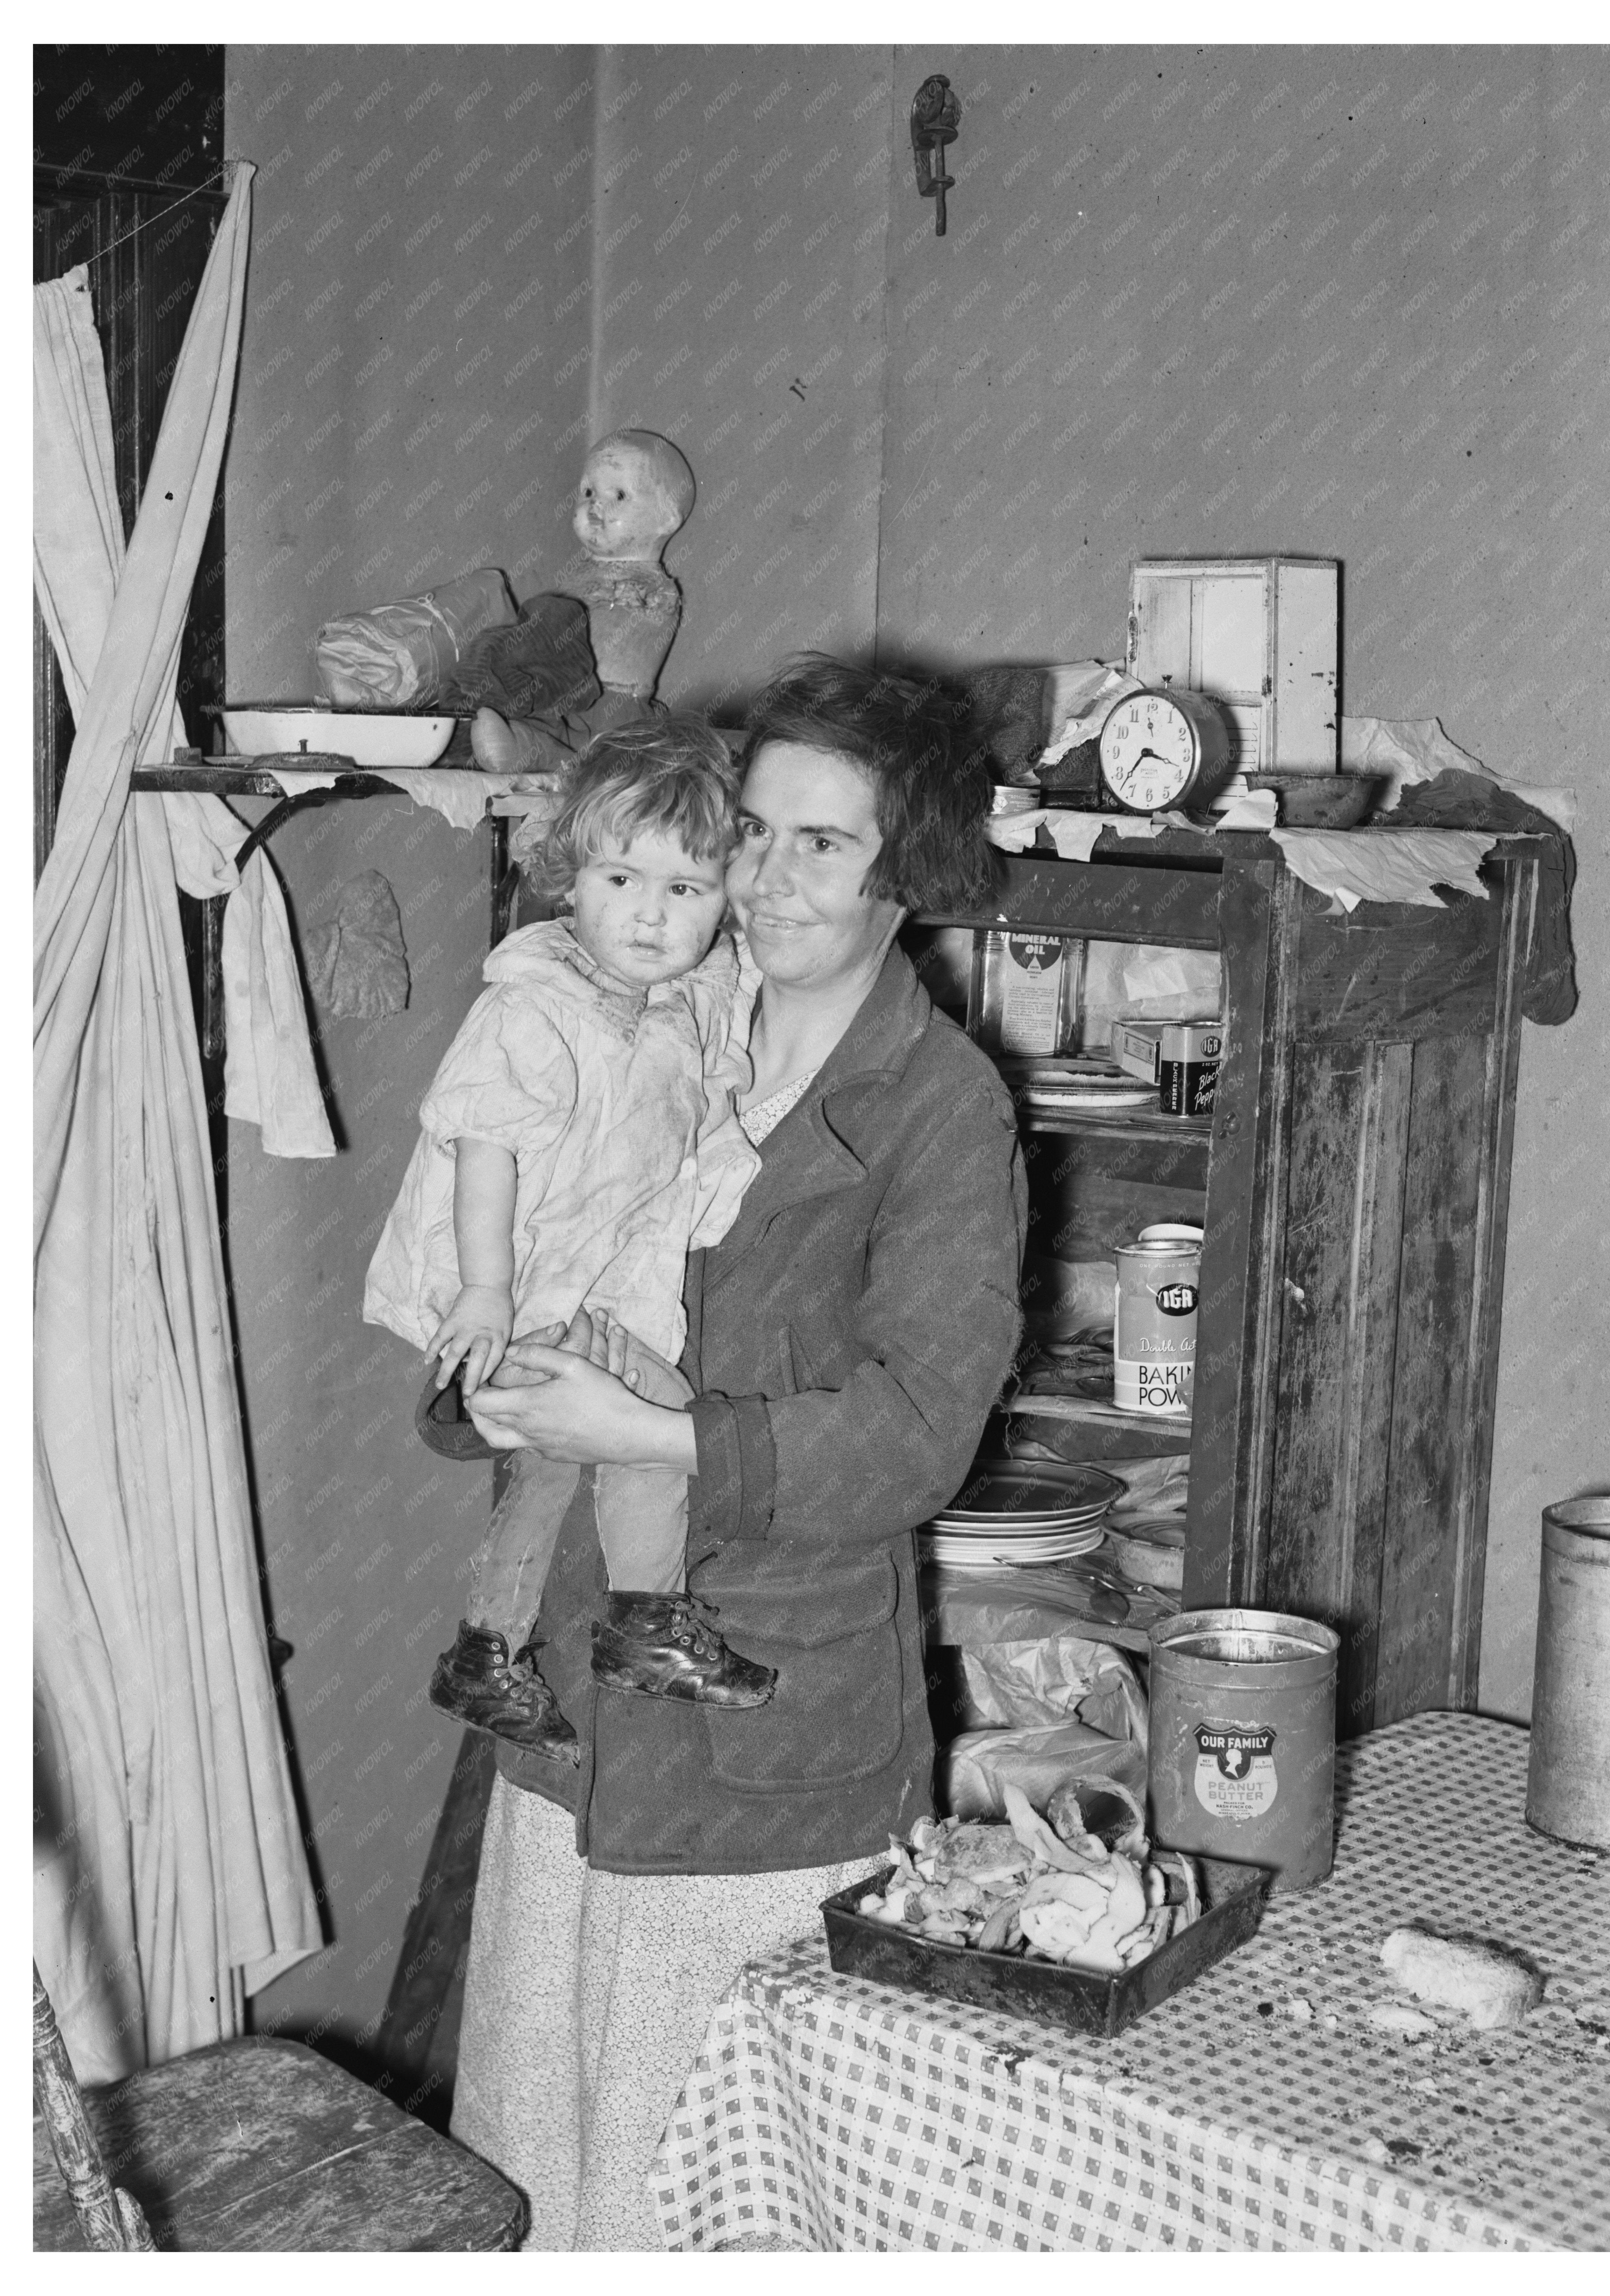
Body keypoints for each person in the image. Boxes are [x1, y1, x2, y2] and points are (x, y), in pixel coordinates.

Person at [449, 655, 1028, 2249]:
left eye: (820, 845)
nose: (764, 881)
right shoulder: (643, 1020)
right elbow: (486, 1249)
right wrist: (481, 1383)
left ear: (907, 872)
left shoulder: (937, 1110)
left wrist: (647, 1432)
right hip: (570, 1706)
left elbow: (915, 1439)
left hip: (760, 1746)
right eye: (750, 834)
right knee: (535, 2160)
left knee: (701, 2201)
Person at [362, 717, 777, 1768]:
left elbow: (734, 983)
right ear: (571, 877)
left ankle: (484, 1648)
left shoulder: (673, 998)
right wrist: (487, 1294)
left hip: (577, 1286)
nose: (648, 913)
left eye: (684, 889)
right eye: (620, 880)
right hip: (512, 1287)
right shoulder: (536, 1007)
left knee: (551, 1465)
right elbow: (483, 1148)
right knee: (654, 1425)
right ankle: (644, 1620)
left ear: (722, 897)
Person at [471, 429, 695, 774]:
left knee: (605, 754)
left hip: (614, 698)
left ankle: (551, 757)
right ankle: (520, 745)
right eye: (588, 491)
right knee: (545, 724)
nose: (595, 504)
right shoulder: (577, 576)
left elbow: (642, 625)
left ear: (667, 519)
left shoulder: (655, 587)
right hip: (560, 691)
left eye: (619, 495)